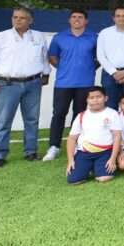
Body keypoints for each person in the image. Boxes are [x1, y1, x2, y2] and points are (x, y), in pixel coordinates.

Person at [0, 7, 50, 167]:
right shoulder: (1, 38)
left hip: (33, 83)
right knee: (4, 121)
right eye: (15, 17)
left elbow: (44, 57)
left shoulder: (38, 37)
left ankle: (31, 152)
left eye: (22, 18)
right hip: (7, 84)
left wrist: (46, 74)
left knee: (32, 119)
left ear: (30, 20)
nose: (18, 20)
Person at [44, 9, 98, 162]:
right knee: (59, 114)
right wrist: (63, 67)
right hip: (63, 83)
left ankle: (77, 144)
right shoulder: (59, 37)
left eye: (80, 17)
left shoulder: (94, 37)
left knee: (79, 115)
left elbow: (99, 57)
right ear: (69, 20)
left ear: (86, 21)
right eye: (74, 17)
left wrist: (90, 68)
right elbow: (52, 57)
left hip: (86, 83)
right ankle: (54, 146)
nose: (77, 19)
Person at [64, 86, 121, 184]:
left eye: (98, 97)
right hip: (84, 153)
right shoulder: (81, 116)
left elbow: (117, 137)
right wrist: (70, 160)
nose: (95, 100)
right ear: (87, 100)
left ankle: (96, 167)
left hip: (105, 152)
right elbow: (72, 139)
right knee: (73, 180)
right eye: (91, 98)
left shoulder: (112, 114)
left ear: (105, 98)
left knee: (104, 178)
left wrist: (112, 159)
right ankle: (89, 167)